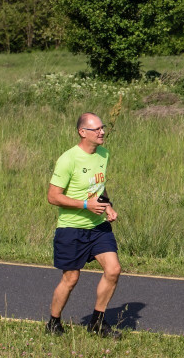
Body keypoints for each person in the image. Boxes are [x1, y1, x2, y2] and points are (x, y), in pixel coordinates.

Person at [45, 112, 121, 339]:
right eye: (97, 129)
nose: (102, 132)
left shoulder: (104, 154)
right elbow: (53, 197)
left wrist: (107, 206)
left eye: (102, 127)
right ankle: (53, 322)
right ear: (82, 132)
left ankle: (97, 322)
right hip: (72, 228)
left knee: (113, 270)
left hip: (98, 227)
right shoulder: (68, 159)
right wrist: (85, 205)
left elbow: (99, 187)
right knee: (71, 278)